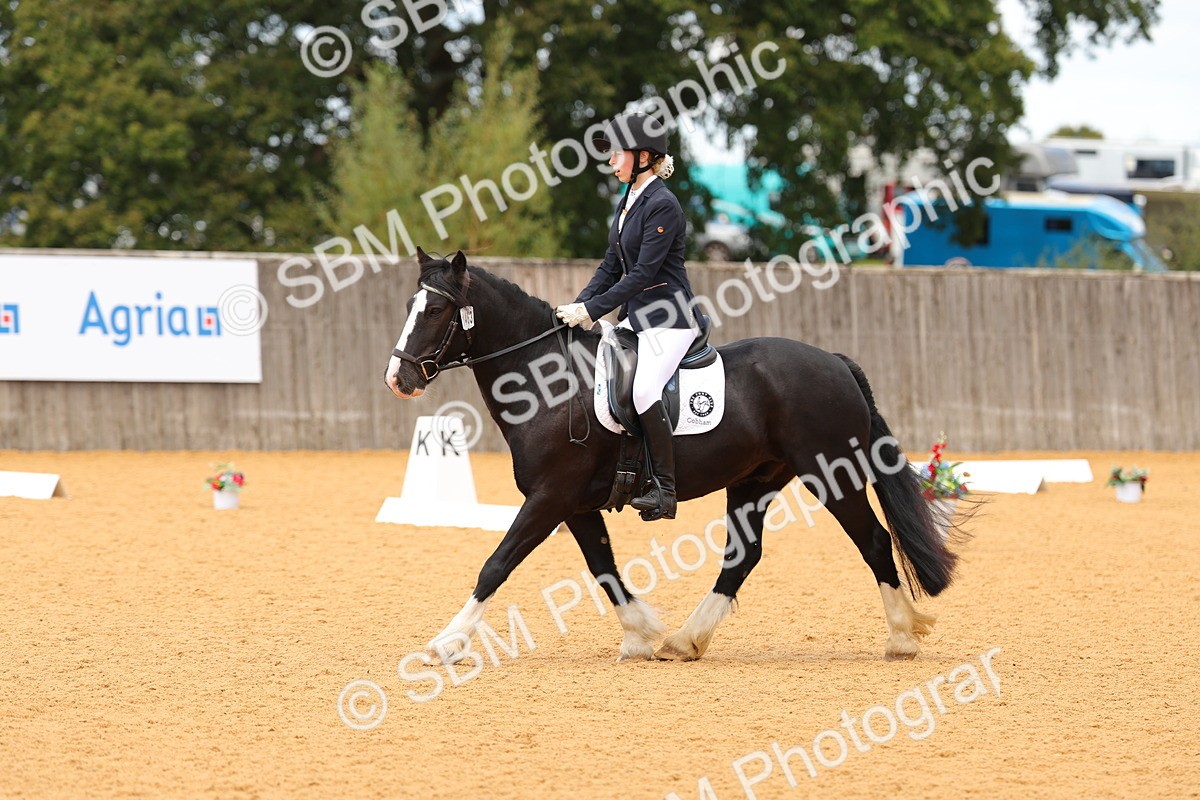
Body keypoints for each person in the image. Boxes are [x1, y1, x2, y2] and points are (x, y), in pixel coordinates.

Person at [555, 112, 700, 521]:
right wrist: (578, 306)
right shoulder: (629, 200)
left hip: (669, 318)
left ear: (643, 156)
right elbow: (611, 265)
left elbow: (642, 274)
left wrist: (593, 310)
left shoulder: (663, 205)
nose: (611, 161)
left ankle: (665, 490)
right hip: (637, 318)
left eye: (617, 153)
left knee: (642, 391)